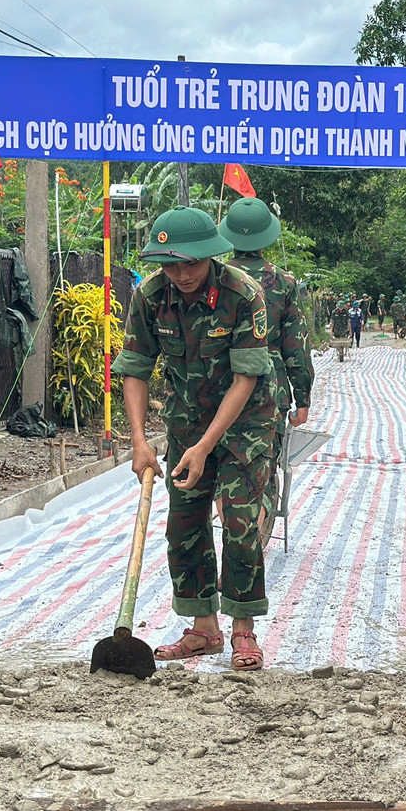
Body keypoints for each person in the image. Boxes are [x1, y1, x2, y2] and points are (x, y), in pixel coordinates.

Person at [114, 206, 276, 672]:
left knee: (240, 523)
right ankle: (203, 628)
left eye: (190, 263)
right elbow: (135, 369)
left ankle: (243, 630)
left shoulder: (244, 295)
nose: (180, 274)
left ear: (210, 256)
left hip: (245, 422)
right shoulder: (149, 297)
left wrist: (206, 448)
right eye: (169, 264)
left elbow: (245, 380)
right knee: (184, 526)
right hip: (186, 419)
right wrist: (140, 441)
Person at [219, 199, 314, 544]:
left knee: (221, 457)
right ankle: (254, 537)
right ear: (268, 237)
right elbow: (296, 346)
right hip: (268, 385)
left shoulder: (215, 278)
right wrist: (302, 397)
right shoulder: (284, 283)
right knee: (263, 461)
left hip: (220, 381)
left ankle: (231, 530)